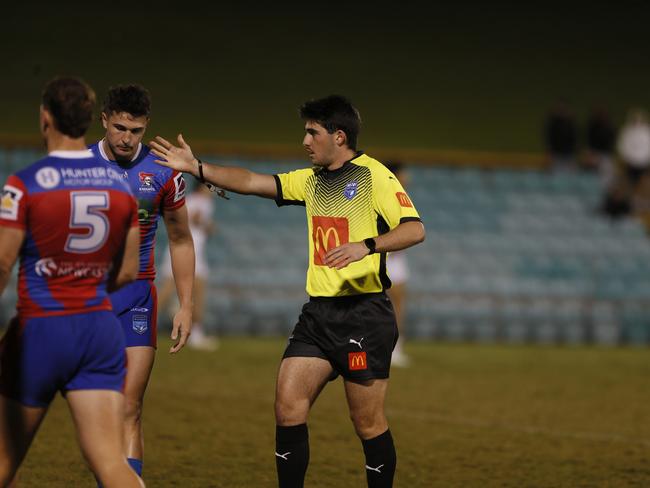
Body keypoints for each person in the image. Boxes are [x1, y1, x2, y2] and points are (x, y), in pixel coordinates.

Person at [150, 95, 425, 488]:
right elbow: (250, 181)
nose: (305, 141)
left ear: (339, 135)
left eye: (313, 132)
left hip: (363, 315)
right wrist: (198, 167)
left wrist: (366, 245)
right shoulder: (310, 181)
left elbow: (415, 229)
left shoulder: (375, 176)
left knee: (367, 423)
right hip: (318, 316)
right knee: (287, 407)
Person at [0, 77, 143, 487]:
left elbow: (2, 263)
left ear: (45, 118)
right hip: (98, 330)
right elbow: (129, 271)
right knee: (111, 463)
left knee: (4, 461)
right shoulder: (120, 186)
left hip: (41, 329)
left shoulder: (24, 183)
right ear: (88, 122)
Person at [89, 84, 195, 480]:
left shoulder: (164, 171)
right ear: (104, 120)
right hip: (87, 300)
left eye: (134, 131)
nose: (126, 138)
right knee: (96, 410)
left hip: (137, 299)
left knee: (129, 407)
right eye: (119, 128)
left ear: (146, 125)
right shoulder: (75, 167)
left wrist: (185, 305)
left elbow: (182, 240)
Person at [158, 182, 218, 351]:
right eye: (211, 188)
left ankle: (196, 334)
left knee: (189, 292)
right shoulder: (199, 201)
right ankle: (195, 334)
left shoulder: (191, 200)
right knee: (171, 293)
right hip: (187, 251)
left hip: (191, 251)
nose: (213, 191)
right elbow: (195, 219)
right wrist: (207, 225)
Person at [384, 162, 411, 368]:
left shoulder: (403, 196)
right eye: (403, 174)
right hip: (384, 256)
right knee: (383, 303)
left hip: (397, 258)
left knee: (398, 303)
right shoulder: (385, 194)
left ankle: (396, 348)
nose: (407, 178)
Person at [544, 99, 578, 171]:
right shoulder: (553, 123)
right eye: (560, 109)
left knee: (570, 176)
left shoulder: (570, 123)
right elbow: (549, 138)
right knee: (556, 175)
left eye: (563, 109)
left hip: (569, 154)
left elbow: (575, 139)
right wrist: (549, 153)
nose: (562, 111)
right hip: (556, 155)